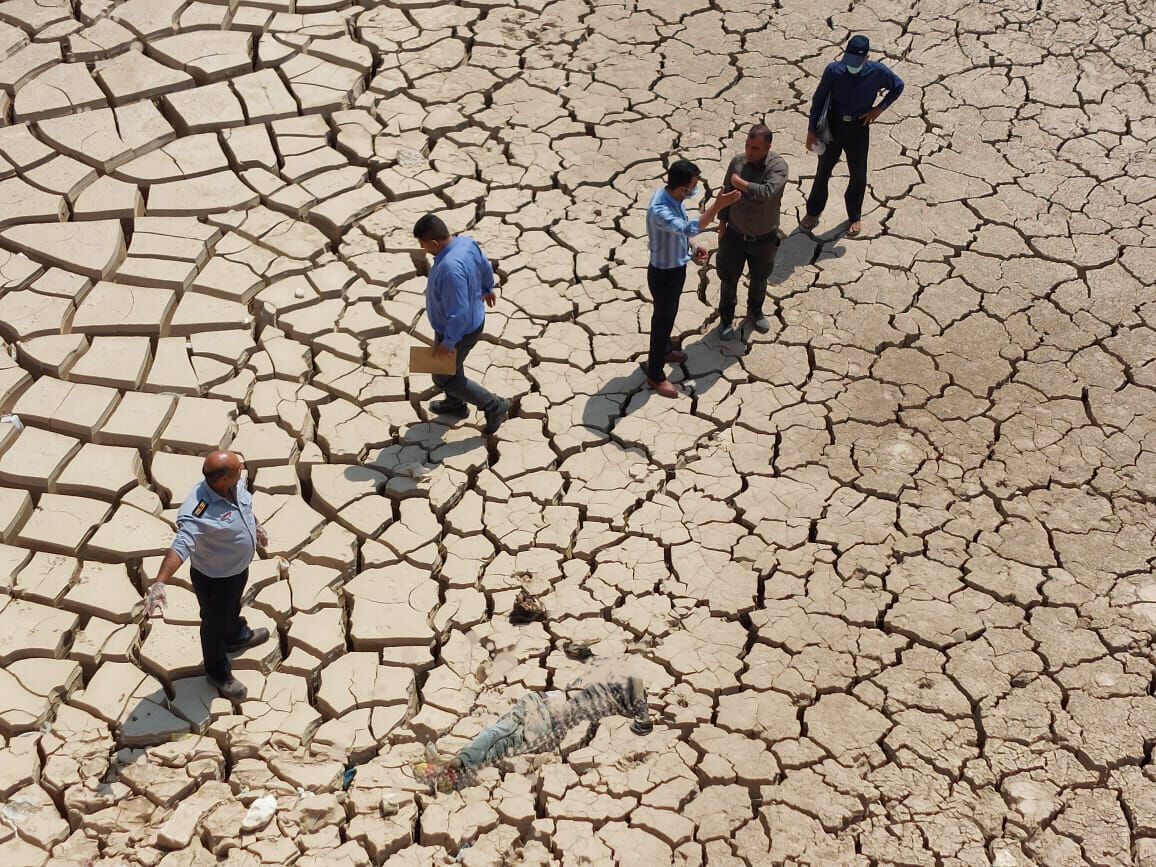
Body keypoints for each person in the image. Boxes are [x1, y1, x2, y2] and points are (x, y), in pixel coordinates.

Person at [144, 450, 269, 701]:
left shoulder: (235, 484)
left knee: (232, 606)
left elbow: (244, 507)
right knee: (213, 624)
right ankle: (218, 673)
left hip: (236, 569)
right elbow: (181, 545)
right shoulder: (198, 510)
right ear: (222, 479)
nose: (242, 469)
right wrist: (159, 582)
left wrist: (255, 526)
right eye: (237, 468)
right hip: (215, 578)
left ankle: (235, 635)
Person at [414, 675, 653, 793]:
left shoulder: (606, 698)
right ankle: (454, 770)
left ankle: (454, 768)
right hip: (540, 708)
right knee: (498, 738)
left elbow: (636, 685)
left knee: (498, 736)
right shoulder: (603, 695)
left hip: (544, 712)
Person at [644, 160, 741, 398]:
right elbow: (690, 227)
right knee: (662, 322)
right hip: (664, 274)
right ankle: (655, 374)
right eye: (693, 186)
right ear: (682, 188)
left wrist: (692, 246)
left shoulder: (673, 198)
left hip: (675, 268)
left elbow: (683, 233)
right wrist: (718, 205)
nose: (695, 189)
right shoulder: (660, 209)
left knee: (669, 315)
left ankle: (665, 349)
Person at [413, 214, 510, 435]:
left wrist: (449, 342)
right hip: (466, 324)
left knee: (442, 377)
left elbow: (459, 313)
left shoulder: (449, 269)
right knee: (452, 368)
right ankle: (455, 405)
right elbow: (485, 265)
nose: (423, 249)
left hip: (459, 331)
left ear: (435, 243)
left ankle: (495, 405)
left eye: (423, 244)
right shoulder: (466, 243)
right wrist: (487, 287)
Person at [801, 34, 904, 237]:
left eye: (857, 62)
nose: (852, 66)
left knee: (858, 175)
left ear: (867, 57)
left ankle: (854, 216)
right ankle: (813, 212)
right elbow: (818, 100)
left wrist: (879, 109)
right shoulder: (833, 71)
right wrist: (811, 131)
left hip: (859, 127)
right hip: (833, 126)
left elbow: (898, 86)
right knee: (823, 170)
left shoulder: (878, 72)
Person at [717, 124, 789, 340]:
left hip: (764, 238)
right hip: (735, 235)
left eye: (755, 148)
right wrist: (722, 225)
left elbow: (766, 192)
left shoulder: (778, 167)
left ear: (768, 147)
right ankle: (726, 319)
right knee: (728, 279)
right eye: (748, 145)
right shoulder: (737, 162)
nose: (749, 151)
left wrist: (740, 183)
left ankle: (755, 312)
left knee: (760, 278)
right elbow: (726, 193)